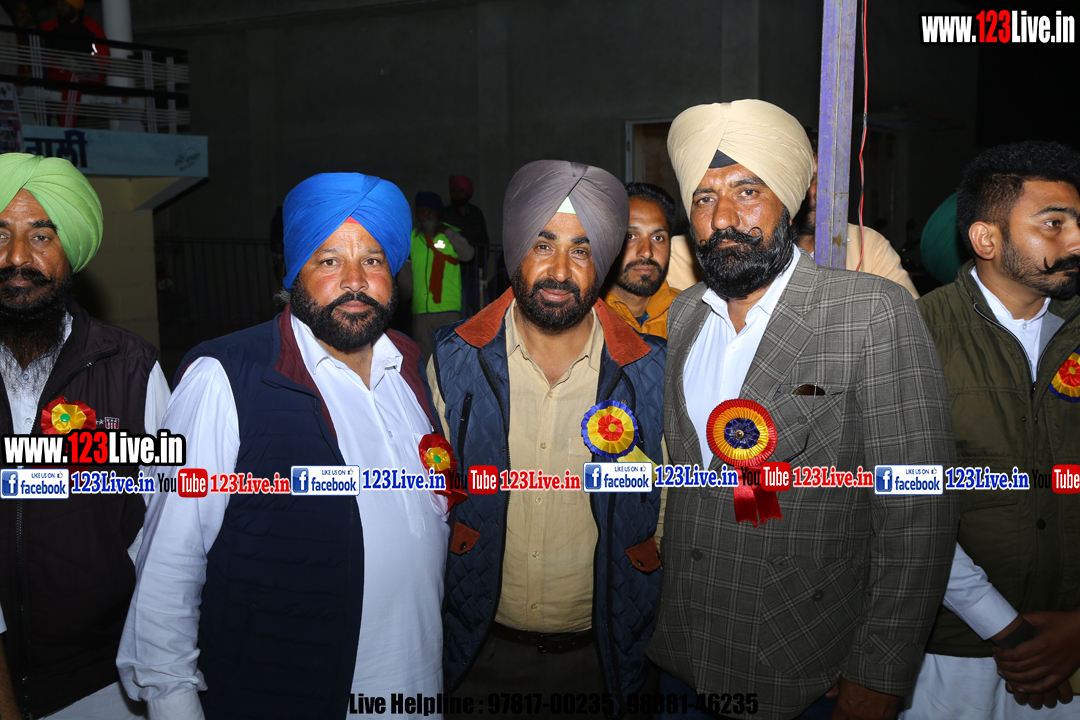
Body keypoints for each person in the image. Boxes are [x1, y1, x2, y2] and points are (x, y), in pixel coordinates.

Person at [649, 100, 959, 720]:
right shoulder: (685, 315)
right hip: (683, 654)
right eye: (704, 199)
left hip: (804, 664)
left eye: (747, 191)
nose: (723, 218)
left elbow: (919, 510)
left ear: (791, 200)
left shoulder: (870, 312)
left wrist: (879, 674)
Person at [116, 173, 450, 720]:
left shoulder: (410, 366)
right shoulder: (225, 378)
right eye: (329, 260)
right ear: (294, 270)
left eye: (372, 260)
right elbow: (168, 564)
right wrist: (173, 704)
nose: (354, 281)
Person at [429, 160, 666, 717]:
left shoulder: (651, 371)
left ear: (602, 261)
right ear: (515, 249)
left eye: (581, 250)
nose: (560, 270)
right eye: (543, 245)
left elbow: (669, 509)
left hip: (602, 663)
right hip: (476, 655)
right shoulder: (452, 360)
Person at [901, 141, 1080, 719]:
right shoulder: (916, 335)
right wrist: (1002, 625)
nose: (1076, 242)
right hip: (951, 652)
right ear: (986, 239)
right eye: (1054, 224)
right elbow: (907, 503)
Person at [0, 153, 169, 719]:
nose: (16, 257)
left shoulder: (132, 369)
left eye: (41, 236)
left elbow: (167, 521)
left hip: (101, 679)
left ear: (70, 248)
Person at [793, 128, 919, 298]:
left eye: (828, 180)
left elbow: (907, 310)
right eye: (810, 180)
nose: (820, 193)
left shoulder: (868, 246)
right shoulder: (764, 247)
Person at [602, 182, 680, 337]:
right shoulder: (584, 316)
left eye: (658, 238)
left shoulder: (692, 312)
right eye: (630, 236)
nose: (646, 252)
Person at [406, 190, 474, 360]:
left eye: (426, 210)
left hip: (447, 308)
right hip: (420, 310)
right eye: (419, 210)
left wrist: (448, 232)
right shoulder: (412, 238)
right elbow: (407, 273)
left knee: (449, 358)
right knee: (424, 358)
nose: (422, 214)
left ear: (436, 212)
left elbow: (468, 254)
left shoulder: (451, 234)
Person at [444, 175, 490, 316]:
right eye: (454, 191)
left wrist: (482, 265)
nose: (457, 195)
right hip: (455, 273)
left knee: (484, 312)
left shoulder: (476, 213)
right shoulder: (446, 214)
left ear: (468, 193)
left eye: (461, 191)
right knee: (461, 314)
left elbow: (483, 240)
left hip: (475, 271)